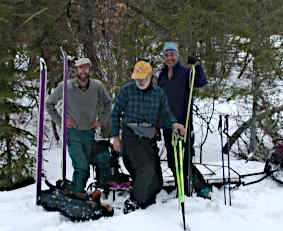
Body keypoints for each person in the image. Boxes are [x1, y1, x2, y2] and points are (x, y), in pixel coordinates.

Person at [111, 60, 185, 212]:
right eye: (137, 77)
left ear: (150, 76)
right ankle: (134, 203)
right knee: (147, 170)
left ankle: (146, 205)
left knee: (157, 181)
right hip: (131, 134)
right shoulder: (126, 91)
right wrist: (115, 137)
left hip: (149, 137)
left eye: (143, 77)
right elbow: (115, 114)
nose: (139, 80)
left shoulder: (158, 94)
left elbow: (165, 114)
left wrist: (174, 124)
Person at [45, 57, 112, 193]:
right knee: (81, 166)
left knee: (85, 166)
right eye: (80, 68)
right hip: (73, 133)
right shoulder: (66, 86)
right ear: (76, 70)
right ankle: (77, 194)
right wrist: (61, 122)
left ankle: (78, 192)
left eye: (86, 68)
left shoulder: (97, 86)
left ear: (89, 70)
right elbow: (49, 104)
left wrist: (100, 121)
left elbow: (108, 103)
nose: (83, 71)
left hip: (89, 133)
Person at [157, 42, 211, 199]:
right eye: (166, 55)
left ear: (177, 55)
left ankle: (199, 188)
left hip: (184, 123)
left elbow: (201, 82)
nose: (169, 58)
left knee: (185, 159)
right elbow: (159, 100)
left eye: (172, 54)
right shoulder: (161, 76)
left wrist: (197, 65)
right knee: (173, 162)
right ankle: (180, 185)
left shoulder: (187, 72)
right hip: (168, 125)